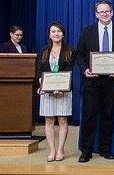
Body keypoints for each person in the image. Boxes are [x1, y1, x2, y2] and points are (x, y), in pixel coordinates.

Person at [76, 0, 114, 163]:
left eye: (107, 11)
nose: (104, 14)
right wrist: (85, 69)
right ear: (96, 14)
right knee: (89, 116)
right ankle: (86, 151)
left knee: (108, 116)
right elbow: (79, 54)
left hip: (113, 81)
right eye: (101, 12)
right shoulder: (87, 31)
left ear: (112, 12)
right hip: (92, 81)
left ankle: (105, 149)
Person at [35, 22, 75, 162]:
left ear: (63, 34)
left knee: (63, 120)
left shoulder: (70, 50)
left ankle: (60, 149)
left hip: (63, 90)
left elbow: (69, 71)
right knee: (49, 119)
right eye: (53, 31)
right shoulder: (44, 51)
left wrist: (60, 86)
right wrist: (43, 85)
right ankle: (52, 150)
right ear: (49, 34)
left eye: (59, 31)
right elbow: (39, 71)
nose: (56, 34)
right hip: (47, 90)